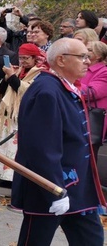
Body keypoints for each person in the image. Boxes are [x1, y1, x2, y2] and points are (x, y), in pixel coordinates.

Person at [12, 38, 106, 245]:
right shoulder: (47, 90)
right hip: (50, 186)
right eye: (82, 57)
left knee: (91, 239)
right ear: (61, 60)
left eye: (88, 56)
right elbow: (41, 148)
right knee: (36, 240)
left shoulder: (63, 86)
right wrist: (54, 191)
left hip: (78, 185)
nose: (87, 62)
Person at [0, 44, 46, 184]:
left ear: (34, 58)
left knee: (14, 149)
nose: (23, 61)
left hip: (19, 114)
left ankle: (13, 178)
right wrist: (7, 77)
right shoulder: (18, 70)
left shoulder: (40, 72)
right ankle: (2, 175)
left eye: (26, 58)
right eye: (21, 58)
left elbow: (27, 90)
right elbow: (2, 89)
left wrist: (12, 76)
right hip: (6, 114)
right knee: (2, 145)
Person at [80, 41, 107, 155]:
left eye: (90, 50)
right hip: (79, 117)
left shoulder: (104, 72)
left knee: (89, 157)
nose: (86, 52)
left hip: (90, 120)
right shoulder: (82, 68)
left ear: (99, 56)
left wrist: (71, 83)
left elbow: (93, 93)